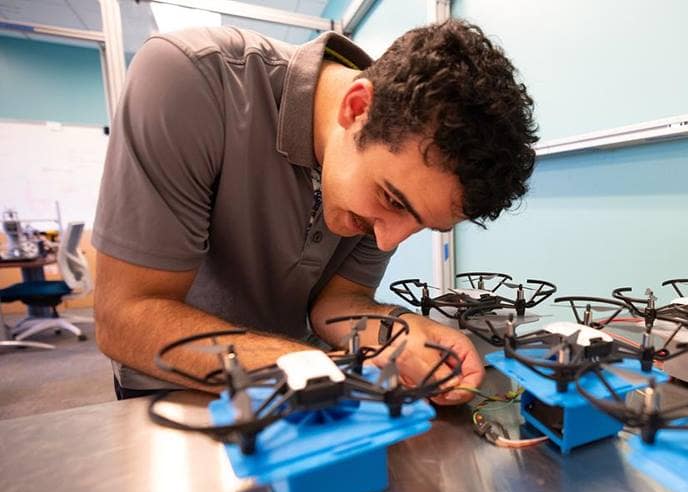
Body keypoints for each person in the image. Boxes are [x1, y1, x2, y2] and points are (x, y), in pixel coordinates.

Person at [92, 20, 538, 403]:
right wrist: (314, 368)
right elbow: (125, 316)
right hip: (173, 397)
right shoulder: (190, 78)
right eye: (393, 201)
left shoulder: (390, 181)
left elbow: (338, 303)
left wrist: (400, 333)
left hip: (306, 382)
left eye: (420, 225)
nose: (387, 240)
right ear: (358, 108)